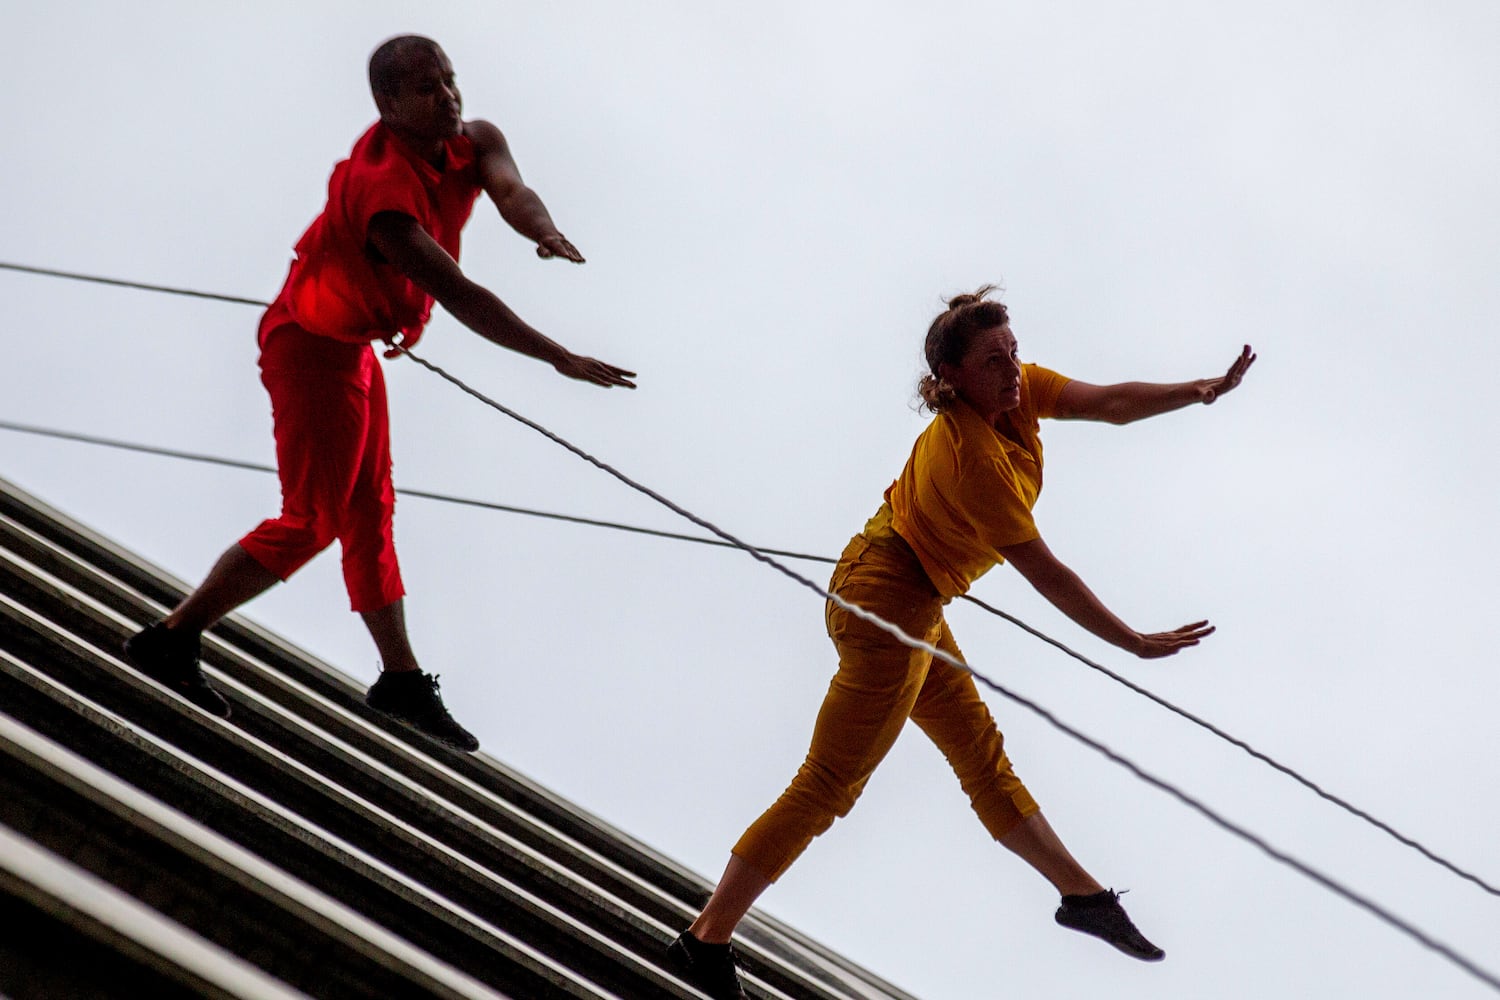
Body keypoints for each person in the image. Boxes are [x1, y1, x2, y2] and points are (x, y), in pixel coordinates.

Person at [666, 287, 1254, 997]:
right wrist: (1129, 641)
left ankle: (1082, 896)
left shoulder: (1015, 395)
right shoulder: (973, 457)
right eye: (992, 361)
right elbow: (1048, 574)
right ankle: (707, 938)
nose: (1011, 370)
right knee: (827, 784)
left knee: (981, 753)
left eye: (1012, 352)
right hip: (887, 595)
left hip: (908, 592)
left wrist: (1199, 390)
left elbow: (1111, 402)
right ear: (951, 379)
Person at [122, 35, 635, 752]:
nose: (448, 96)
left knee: (371, 512)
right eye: (427, 88)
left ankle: (400, 679)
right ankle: (171, 638)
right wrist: (558, 358)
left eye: (451, 80)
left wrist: (543, 231)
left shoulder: (472, 139)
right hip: (309, 347)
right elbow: (457, 294)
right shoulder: (382, 193)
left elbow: (511, 190)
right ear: (388, 105)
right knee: (312, 519)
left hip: (353, 351)